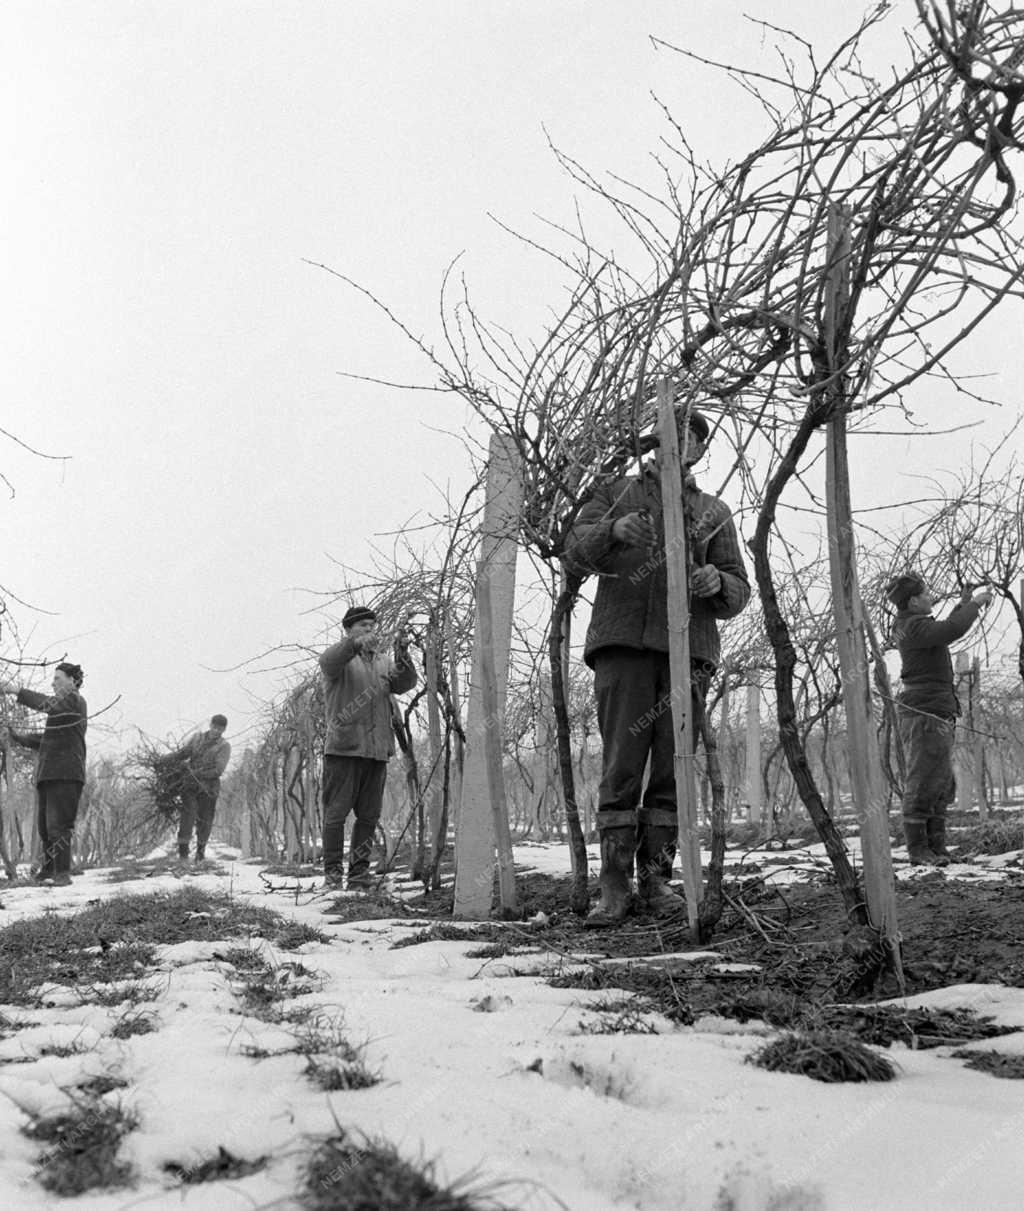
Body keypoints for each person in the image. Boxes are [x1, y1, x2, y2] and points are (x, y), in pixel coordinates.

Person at [563, 407, 751, 927]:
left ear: (697, 452)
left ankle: (658, 881)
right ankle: (614, 886)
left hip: (687, 650)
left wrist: (717, 583)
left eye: (692, 439)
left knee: (672, 767)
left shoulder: (714, 511)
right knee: (621, 764)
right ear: (655, 444)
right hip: (623, 643)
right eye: (672, 435)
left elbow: (740, 588)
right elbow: (573, 550)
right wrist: (613, 531)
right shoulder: (615, 493)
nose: (682, 445)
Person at [885, 573, 992, 866]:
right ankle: (918, 850)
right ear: (913, 600)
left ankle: (937, 848)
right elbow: (951, 630)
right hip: (925, 712)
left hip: (936, 709)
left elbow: (946, 627)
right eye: (926, 593)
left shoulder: (913, 625)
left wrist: (964, 603)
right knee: (922, 779)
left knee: (939, 781)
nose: (931, 597)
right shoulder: (912, 626)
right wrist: (977, 605)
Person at [319, 605, 416, 889]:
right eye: (363, 626)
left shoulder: (383, 662)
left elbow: (405, 683)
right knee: (336, 814)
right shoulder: (341, 661)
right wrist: (354, 644)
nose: (370, 631)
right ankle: (332, 875)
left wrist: (403, 653)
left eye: (372, 626)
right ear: (348, 630)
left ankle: (359, 875)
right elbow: (328, 661)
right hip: (344, 749)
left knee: (369, 816)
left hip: (376, 751)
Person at [0, 662, 87, 885]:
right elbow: (43, 740)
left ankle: (63, 874)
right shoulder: (61, 710)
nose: (53, 682)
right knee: (45, 827)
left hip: (66, 774)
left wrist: (18, 691)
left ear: (73, 681)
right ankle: (49, 870)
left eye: (58, 678)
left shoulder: (73, 701)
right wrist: (15, 735)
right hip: (49, 775)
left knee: (59, 826)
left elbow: (49, 704)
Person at [172, 714, 231, 863]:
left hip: (209, 788)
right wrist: (167, 760)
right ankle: (183, 854)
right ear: (210, 725)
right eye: (215, 727)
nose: (216, 731)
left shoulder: (224, 746)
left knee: (205, 820)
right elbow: (184, 753)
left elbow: (218, 770)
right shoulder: (197, 738)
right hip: (190, 786)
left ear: (224, 730)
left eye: (220, 729)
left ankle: (200, 852)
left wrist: (197, 774)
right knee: (188, 816)